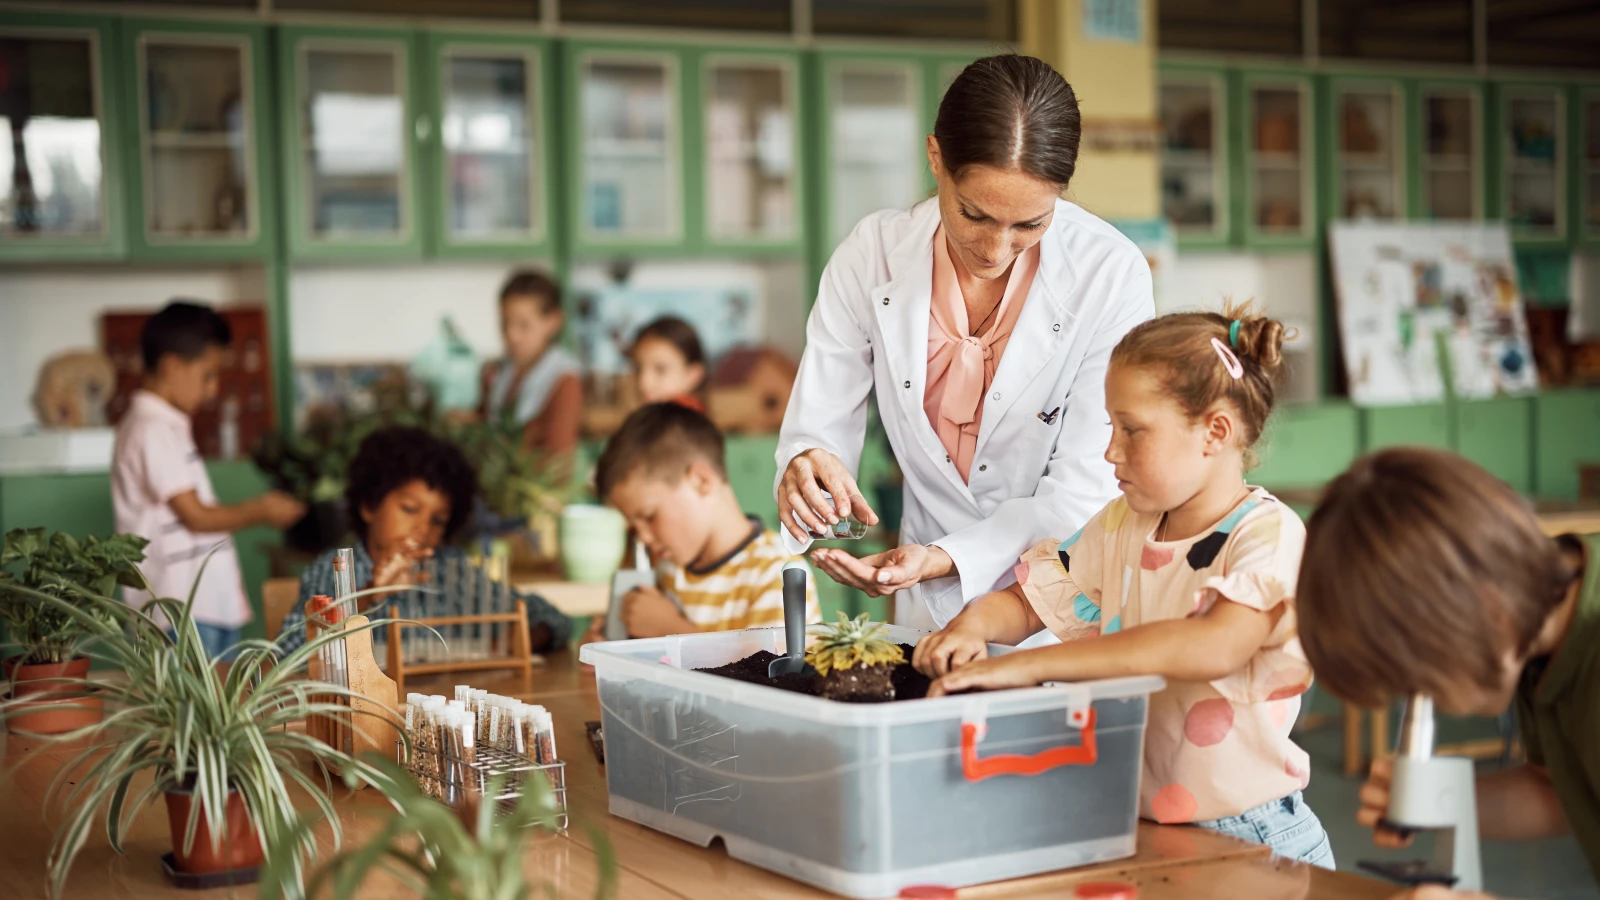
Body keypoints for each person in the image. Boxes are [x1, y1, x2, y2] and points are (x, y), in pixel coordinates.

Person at [913, 305, 1333, 867]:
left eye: (1132, 430)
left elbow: (1212, 644)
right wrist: (972, 627)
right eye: (1111, 426)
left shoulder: (1267, 534)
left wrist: (1028, 666)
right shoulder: (1121, 523)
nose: (1111, 450)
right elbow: (1032, 599)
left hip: (1250, 835)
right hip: (1137, 820)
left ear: (1215, 431)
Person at [776, 54, 1154, 632]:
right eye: (974, 214)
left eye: (1030, 224)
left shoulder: (1111, 275)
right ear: (936, 160)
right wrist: (810, 467)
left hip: (1056, 607)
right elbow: (819, 423)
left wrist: (949, 559)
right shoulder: (871, 255)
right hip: (920, 607)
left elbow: (1088, 486)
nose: (997, 250)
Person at [1297, 447, 1600, 894]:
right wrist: (1444, 799)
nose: (1424, 700)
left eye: (1420, 680)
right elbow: (1562, 791)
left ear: (1485, 610)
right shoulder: (1538, 637)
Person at [112, 301, 306, 658]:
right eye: (208, 375)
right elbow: (196, 516)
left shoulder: (166, 425)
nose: (213, 390)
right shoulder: (151, 429)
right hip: (182, 610)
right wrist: (262, 509)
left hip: (201, 606)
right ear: (172, 365)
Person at [275, 426, 571, 657]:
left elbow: (552, 619)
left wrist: (517, 641)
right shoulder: (334, 569)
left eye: (438, 520)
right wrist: (370, 595)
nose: (421, 527)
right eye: (409, 509)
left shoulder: (452, 572)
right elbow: (289, 653)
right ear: (368, 505)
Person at [586, 403, 818, 640]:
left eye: (649, 516)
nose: (643, 537)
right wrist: (610, 645)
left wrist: (671, 629)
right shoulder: (666, 569)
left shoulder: (777, 574)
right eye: (634, 525)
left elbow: (771, 674)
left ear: (700, 481)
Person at [478, 269, 582, 460]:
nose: (511, 335)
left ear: (554, 321)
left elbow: (559, 463)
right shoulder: (498, 373)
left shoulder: (564, 380)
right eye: (504, 323)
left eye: (523, 325)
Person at [631, 315, 707, 412]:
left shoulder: (680, 422)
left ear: (693, 374)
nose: (644, 383)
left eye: (660, 369)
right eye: (638, 369)